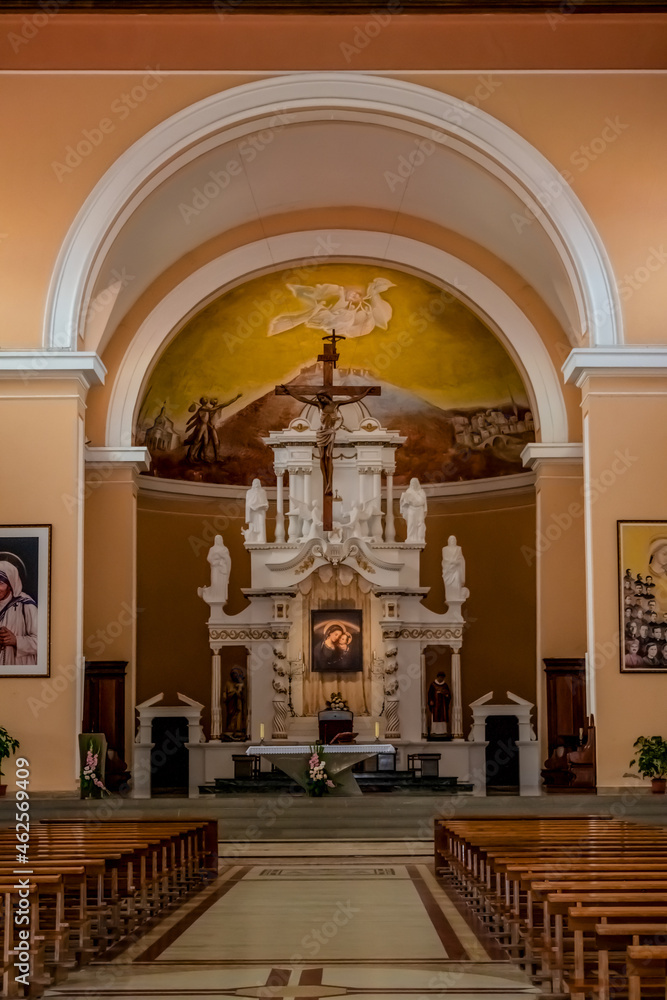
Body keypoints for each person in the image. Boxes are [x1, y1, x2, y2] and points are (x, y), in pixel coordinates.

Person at [0, 556, 38, 667]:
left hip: (19, 667)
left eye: (1, 583)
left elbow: (43, 643)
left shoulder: (26, 605)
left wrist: (15, 640)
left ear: (11, 585)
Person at [400, 478, 427, 544]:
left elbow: (422, 501)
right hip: (411, 509)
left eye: (414, 483)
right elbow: (404, 501)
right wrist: (404, 499)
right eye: (412, 483)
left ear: (417, 483)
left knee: (420, 523)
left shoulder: (421, 492)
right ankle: (410, 537)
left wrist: (416, 499)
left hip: (419, 510)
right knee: (411, 523)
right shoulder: (408, 491)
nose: (413, 484)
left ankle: (420, 538)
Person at [224, 666, 246, 737]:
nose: (234, 676)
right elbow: (225, 694)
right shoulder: (228, 683)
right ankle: (230, 729)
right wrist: (233, 693)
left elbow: (243, 696)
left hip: (238, 703)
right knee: (231, 716)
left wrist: (239, 691)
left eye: (236, 674)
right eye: (233, 674)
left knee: (239, 714)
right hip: (231, 703)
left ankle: (238, 729)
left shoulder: (240, 684)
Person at [244, 479, 269, 543]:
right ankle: (254, 538)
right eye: (255, 483)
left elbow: (266, 502)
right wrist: (251, 506)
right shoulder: (249, 492)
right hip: (252, 512)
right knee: (253, 526)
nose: (256, 484)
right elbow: (247, 503)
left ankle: (261, 538)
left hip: (260, 511)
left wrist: (265, 505)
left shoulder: (263, 492)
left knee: (261, 524)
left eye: (257, 483)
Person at [427, 671, 451, 736]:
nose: (441, 679)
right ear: (437, 677)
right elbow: (430, 694)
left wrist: (446, 694)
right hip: (435, 705)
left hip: (443, 705)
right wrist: (431, 700)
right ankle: (434, 731)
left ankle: (443, 731)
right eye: (440, 677)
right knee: (435, 717)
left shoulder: (445, 685)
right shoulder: (433, 685)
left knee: (443, 717)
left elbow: (448, 694)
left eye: (442, 678)